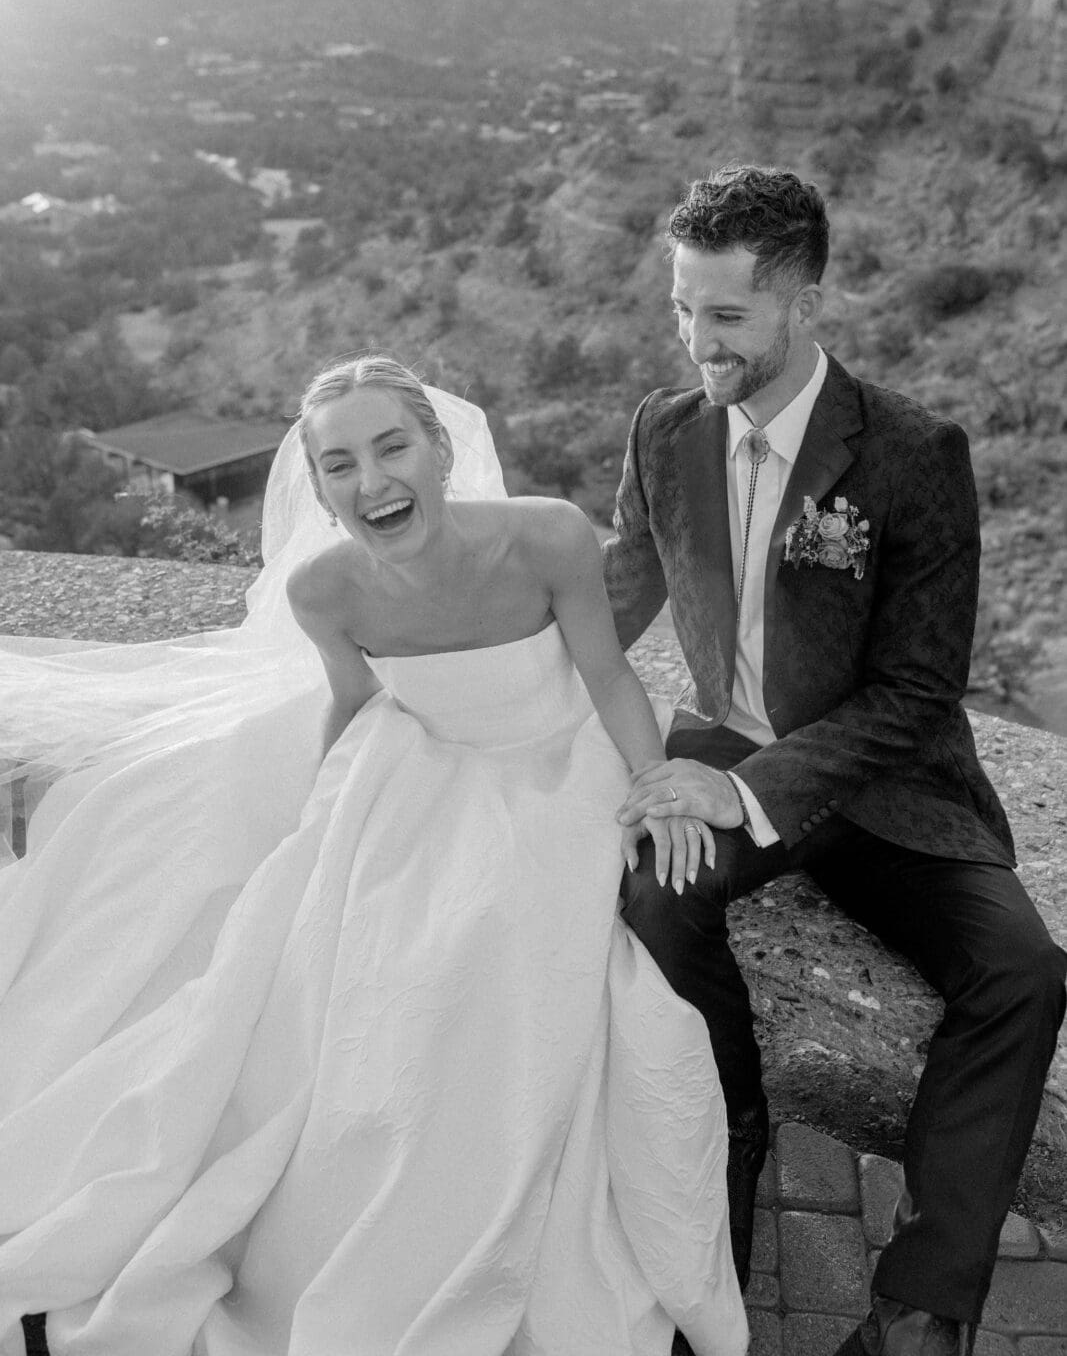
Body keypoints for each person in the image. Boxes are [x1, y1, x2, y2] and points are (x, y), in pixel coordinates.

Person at [0, 356, 746, 1356]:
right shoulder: (323, 589)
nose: (372, 481)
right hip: (417, 766)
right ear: (320, 487)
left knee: (506, 935)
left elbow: (608, 673)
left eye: (392, 446)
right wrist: (322, 818)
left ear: (440, 452)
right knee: (351, 965)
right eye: (340, 463)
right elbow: (355, 710)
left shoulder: (548, 535)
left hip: (554, 762)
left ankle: (483, 1202)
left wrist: (653, 781)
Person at [604, 164, 1067, 1351]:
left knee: (1021, 971)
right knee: (657, 902)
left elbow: (916, 692)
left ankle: (916, 1313)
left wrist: (746, 788)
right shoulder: (662, 430)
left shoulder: (913, 451)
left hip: (884, 784)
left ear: (803, 304)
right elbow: (610, 600)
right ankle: (721, 1176)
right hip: (724, 742)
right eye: (680, 309)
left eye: (724, 316)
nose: (694, 341)